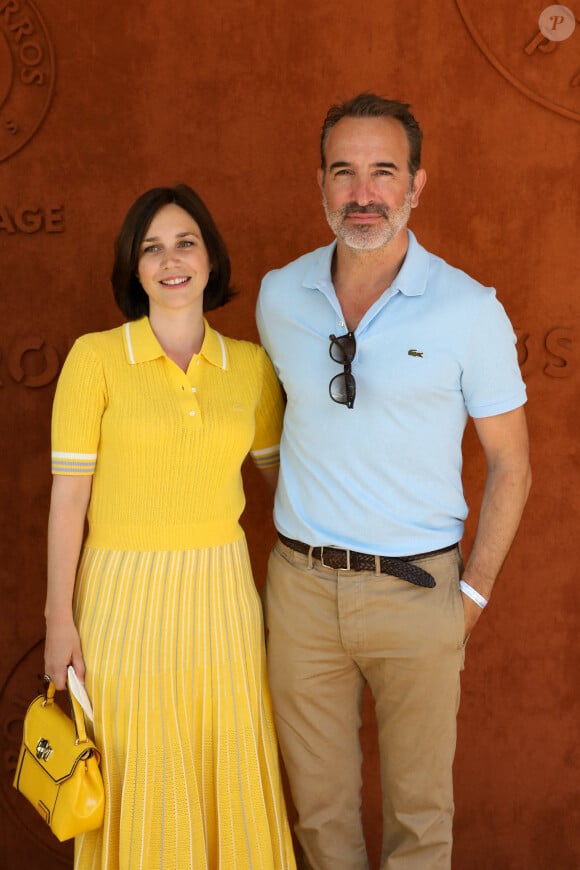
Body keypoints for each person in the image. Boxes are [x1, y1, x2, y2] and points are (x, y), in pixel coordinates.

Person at [256, 93, 531, 870]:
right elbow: (278, 427)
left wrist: (470, 598)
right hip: (301, 594)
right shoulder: (282, 296)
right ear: (320, 187)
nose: (363, 192)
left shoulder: (469, 310)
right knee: (320, 820)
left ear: (417, 185)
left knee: (419, 824)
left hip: (420, 594)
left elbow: (513, 463)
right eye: (344, 172)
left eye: (384, 171)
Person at [44, 184, 296, 869]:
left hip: (222, 596)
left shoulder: (248, 367)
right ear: (134, 269)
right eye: (151, 248)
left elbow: (289, 492)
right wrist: (58, 621)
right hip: (121, 598)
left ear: (211, 258)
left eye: (185, 242)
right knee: (138, 768)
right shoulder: (94, 359)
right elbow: (69, 500)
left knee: (229, 756)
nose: (170, 260)